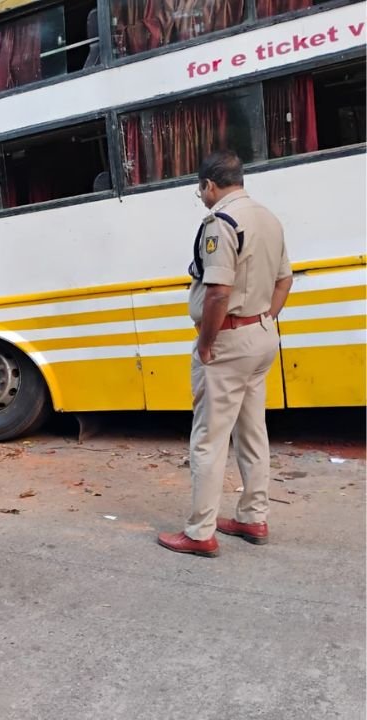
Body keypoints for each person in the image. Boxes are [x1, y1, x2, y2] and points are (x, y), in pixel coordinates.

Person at [157, 150, 293, 557]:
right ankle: (253, 517)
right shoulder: (268, 218)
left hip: (228, 342)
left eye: (200, 190)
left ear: (209, 185)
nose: (202, 197)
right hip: (261, 335)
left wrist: (206, 342)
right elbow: (285, 281)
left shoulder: (222, 222)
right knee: (252, 433)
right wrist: (263, 318)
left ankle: (200, 533)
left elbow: (217, 292)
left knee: (209, 439)